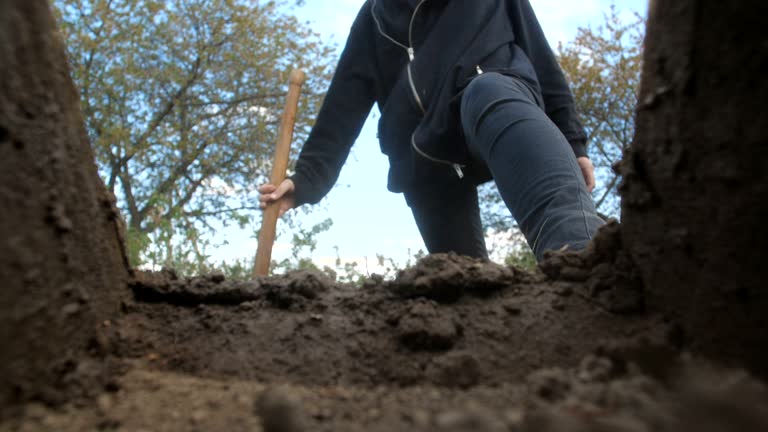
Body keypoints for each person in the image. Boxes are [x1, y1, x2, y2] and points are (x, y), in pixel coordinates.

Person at [259, 0, 605, 261]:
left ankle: (581, 255)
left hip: (493, 100)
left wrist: (573, 140)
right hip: (423, 151)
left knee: (488, 91)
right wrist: (306, 179)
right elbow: (343, 105)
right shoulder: (375, 19)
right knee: (462, 287)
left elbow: (539, 54)